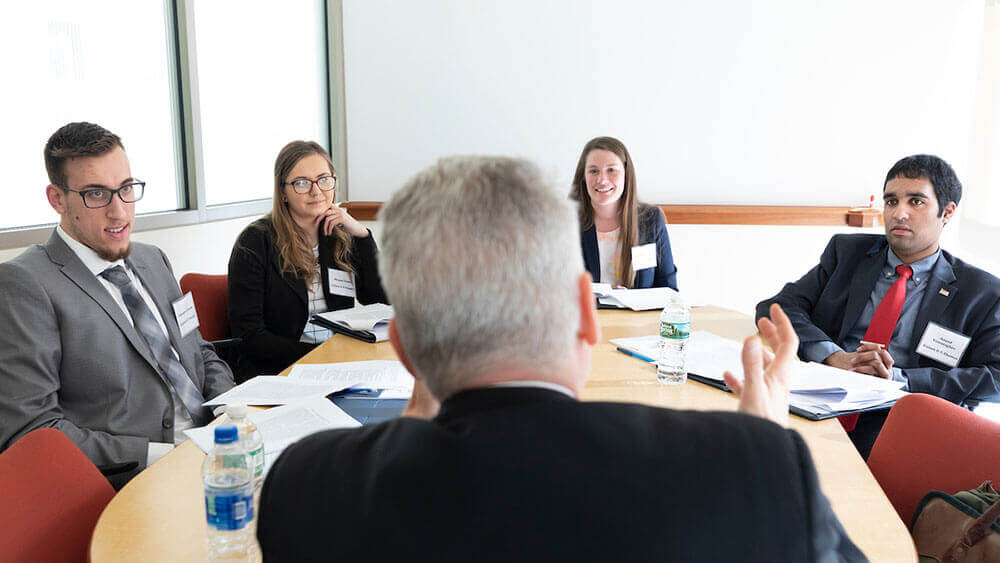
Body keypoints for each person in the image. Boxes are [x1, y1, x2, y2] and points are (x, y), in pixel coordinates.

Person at [257, 156, 862, 562]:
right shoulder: (752, 465)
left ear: (405, 346)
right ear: (586, 309)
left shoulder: (307, 485)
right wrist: (755, 449)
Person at [0, 122, 235, 488]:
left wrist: (226, 417)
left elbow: (200, 354)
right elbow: (35, 432)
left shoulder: (153, 259)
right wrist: (165, 454)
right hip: (135, 481)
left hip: (215, 451)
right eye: (96, 194)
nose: (119, 212)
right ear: (57, 199)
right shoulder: (26, 284)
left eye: (126, 189)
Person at [756, 154, 1000, 458]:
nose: (899, 213)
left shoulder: (981, 291)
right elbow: (777, 308)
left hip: (904, 419)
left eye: (916, 202)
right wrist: (834, 356)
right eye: (891, 201)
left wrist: (901, 379)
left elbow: (996, 379)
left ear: (947, 211)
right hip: (822, 397)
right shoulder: (847, 253)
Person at [227, 141, 386, 382]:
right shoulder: (255, 242)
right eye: (301, 183)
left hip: (337, 365)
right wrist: (320, 357)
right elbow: (250, 335)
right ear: (283, 192)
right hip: (280, 371)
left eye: (323, 179)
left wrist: (362, 235)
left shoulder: (340, 235)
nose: (316, 191)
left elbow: (381, 301)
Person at [569, 136, 678, 289]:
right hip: (586, 313)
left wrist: (630, 300)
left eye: (611, 170)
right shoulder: (567, 223)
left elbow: (669, 290)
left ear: (626, 174)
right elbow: (554, 290)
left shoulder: (650, 220)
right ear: (583, 177)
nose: (602, 180)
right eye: (593, 171)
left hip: (638, 313)